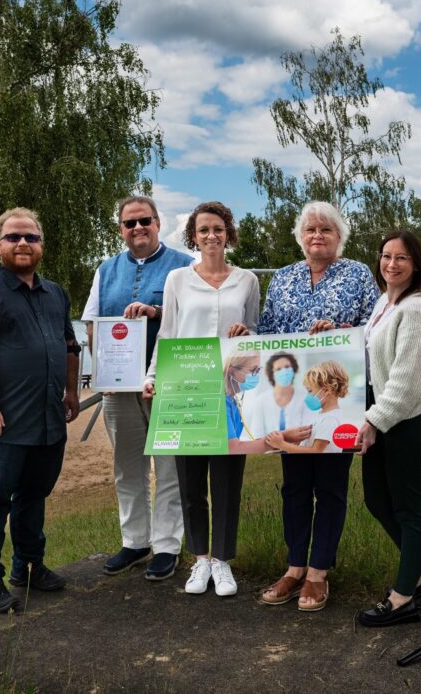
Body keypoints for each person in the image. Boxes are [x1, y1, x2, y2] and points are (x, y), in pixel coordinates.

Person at [143, 201, 310, 597]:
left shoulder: (247, 280)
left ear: (228, 233)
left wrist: (247, 334)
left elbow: (256, 332)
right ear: (193, 236)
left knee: (227, 479)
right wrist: (152, 377)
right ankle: (199, 560)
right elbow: (167, 334)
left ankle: (222, 561)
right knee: (190, 481)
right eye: (203, 230)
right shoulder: (178, 280)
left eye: (218, 228)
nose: (211, 236)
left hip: (231, 391)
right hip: (187, 385)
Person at [0, 207, 82, 614]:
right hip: (3, 422)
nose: (23, 243)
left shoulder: (56, 294)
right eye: (14, 237)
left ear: (41, 245)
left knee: (34, 496)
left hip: (48, 420)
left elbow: (69, 346)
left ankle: (29, 568)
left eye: (31, 237)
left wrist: (71, 391)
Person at [256, 201, 378, 612]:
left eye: (326, 229)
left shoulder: (358, 274)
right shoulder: (284, 278)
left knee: (329, 487)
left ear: (339, 236)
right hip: (293, 401)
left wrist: (343, 331)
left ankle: (318, 573)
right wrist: (245, 336)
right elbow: (267, 335)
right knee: (294, 486)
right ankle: (294, 567)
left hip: (337, 400)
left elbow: (377, 329)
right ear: (300, 236)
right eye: (310, 229)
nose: (317, 236)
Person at [83, 195, 194, 581]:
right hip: (119, 390)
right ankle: (134, 542)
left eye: (144, 220)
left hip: (169, 384)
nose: (137, 228)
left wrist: (156, 312)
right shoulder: (106, 269)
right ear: (121, 229)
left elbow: (192, 320)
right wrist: (102, 375)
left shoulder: (185, 266)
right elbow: (93, 323)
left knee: (168, 468)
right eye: (129, 223)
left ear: (158, 222)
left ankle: (166, 546)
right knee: (127, 468)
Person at [354, 231, 421, 627]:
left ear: (416, 265)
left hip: (408, 422)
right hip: (384, 418)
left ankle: (403, 597)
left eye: (402, 258)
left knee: (409, 510)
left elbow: (407, 380)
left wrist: (374, 421)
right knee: (376, 500)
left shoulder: (417, 310)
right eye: (386, 256)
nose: (392, 264)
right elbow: (372, 350)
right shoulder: (384, 303)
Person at [266, 361, 350, 453]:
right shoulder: (322, 415)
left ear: (327, 390)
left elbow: (316, 451)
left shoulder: (330, 419)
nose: (307, 395)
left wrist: (281, 444)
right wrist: (296, 441)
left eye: (310, 391)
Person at [246, 352, 309, 438]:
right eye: (278, 369)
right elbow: (256, 436)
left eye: (287, 367)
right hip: (268, 451)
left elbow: (307, 433)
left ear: (293, 369)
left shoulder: (305, 397)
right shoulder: (262, 400)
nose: (284, 371)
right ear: (272, 374)